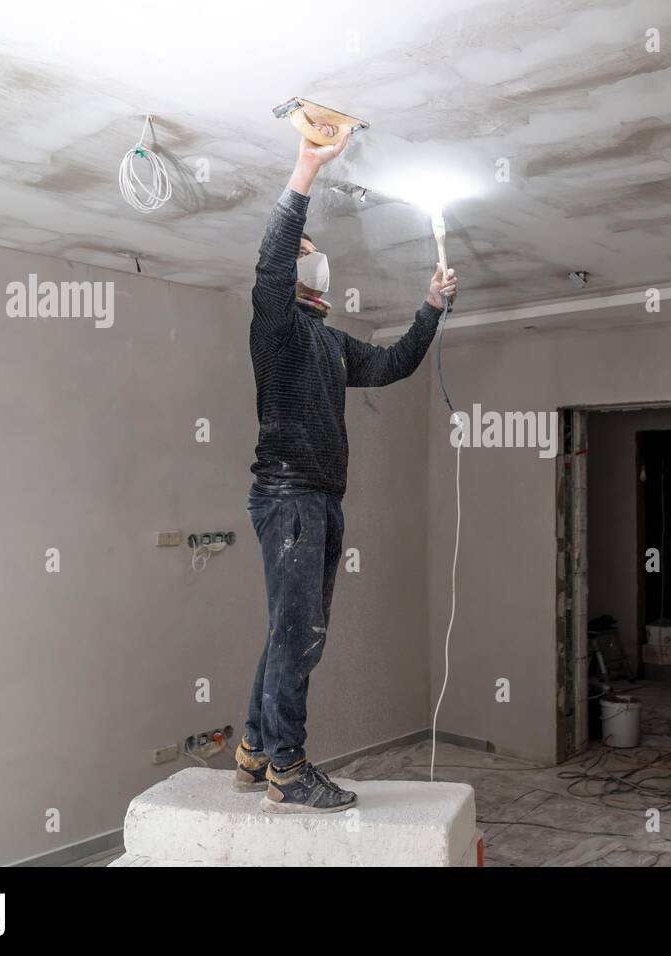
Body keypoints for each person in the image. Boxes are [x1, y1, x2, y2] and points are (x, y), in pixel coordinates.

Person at [235, 122, 458, 812]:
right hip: (291, 496)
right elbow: (273, 261)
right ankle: (289, 768)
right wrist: (305, 170)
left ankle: (253, 751)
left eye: (311, 250)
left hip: (320, 501)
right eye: (304, 250)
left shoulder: (329, 342)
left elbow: (392, 365)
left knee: (290, 633)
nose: (311, 255)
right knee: (299, 634)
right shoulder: (275, 328)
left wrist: (429, 310)